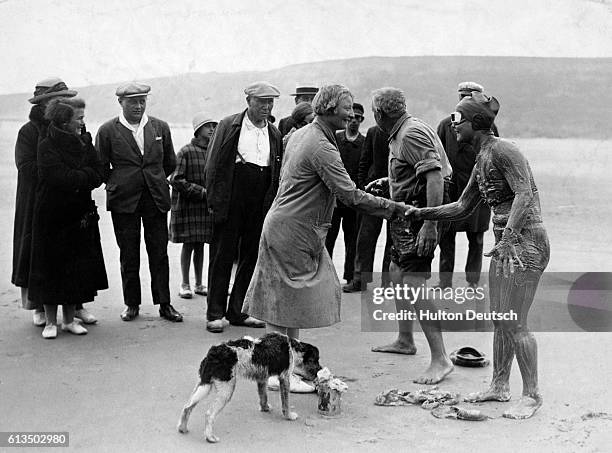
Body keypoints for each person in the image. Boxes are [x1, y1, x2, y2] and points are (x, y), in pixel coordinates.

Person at [243, 85, 411, 392]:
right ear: (331, 108)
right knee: (281, 304)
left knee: (288, 301)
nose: (351, 114)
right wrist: (394, 208)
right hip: (293, 230)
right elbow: (348, 194)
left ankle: (287, 368)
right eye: (347, 108)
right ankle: (276, 373)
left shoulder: (299, 134)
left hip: (289, 226)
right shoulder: (321, 145)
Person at [406, 92, 549, 419]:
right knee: (500, 318)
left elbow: (524, 193)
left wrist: (509, 236)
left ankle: (532, 395)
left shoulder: (504, 149)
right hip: (505, 246)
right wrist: (417, 213)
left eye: (457, 119)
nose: (452, 125)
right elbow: (461, 206)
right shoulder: (482, 158)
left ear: (476, 122)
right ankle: (499, 386)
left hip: (526, 244)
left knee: (515, 322)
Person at [368, 87, 454, 385]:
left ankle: (441, 359)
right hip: (406, 214)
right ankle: (405, 340)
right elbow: (415, 170)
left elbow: (435, 177)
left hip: (420, 215)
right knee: (395, 271)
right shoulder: (405, 129)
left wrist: (430, 223)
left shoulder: (410, 134)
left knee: (414, 283)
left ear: (380, 114)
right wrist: (389, 182)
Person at [12, 78, 98, 326]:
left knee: (75, 252)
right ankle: (37, 305)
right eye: (58, 99)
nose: (64, 102)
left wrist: (74, 178)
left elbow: (88, 159)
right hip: (37, 200)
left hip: (72, 200)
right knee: (38, 253)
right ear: (44, 103)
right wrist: (58, 175)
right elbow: (25, 166)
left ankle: (77, 304)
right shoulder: (29, 131)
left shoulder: (72, 126)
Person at [96, 82, 182, 322]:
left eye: (142, 100)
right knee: (128, 253)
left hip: (155, 198)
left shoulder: (160, 127)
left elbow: (170, 163)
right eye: (132, 101)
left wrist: (153, 179)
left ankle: (164, 304)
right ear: (120, 103)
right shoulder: (107, 130)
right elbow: (101, 167)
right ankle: (131, 304)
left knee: (159, 253)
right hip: (124, 200)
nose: (138, 105)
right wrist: (122, 181)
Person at [204, 81, 283, 333]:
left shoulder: (274, 133)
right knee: (222, 255)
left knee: (251, 255)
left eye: (270, 102)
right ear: (248, 101)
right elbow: (213, 165)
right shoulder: (229, 125)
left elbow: (276, 172)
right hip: (232, 195)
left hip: (260, 198)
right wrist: (214, 202)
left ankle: (238, 310)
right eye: (261, 102)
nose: (266, 107)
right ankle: (215, 313)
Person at [28, 97, 108, 339]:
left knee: (76, 265)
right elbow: (58, 178)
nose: (83, 123)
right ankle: (51, 322)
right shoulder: (46, 144)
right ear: (64, 122)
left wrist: (81, 176)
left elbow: (99, 173)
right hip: (52, 214)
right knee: (51, 266)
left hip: (79, 212)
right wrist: (84, 176)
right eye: (79, 118)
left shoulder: (84, 140)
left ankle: (69, 319)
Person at [436, 82, 498, 289]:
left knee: (477, 238)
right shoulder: (446, 125)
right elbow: (438, 159)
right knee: (446, 236)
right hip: (452, 189)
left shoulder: (488, 127)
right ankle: (445, 282)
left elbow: (493, 159)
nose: (463, 99)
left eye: (469, 96)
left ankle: (473, 282)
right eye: (461, 96)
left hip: (479, 190)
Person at [169, 113, 217, 299]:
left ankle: (198, 283)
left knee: (200, 245)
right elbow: (176, 179)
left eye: (214, 125)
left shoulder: (214, 151)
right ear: (198, 130)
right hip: (188, 206)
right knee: (189, 244)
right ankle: (184, 283)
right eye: (208, 126)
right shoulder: (185, 151)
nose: (212, 129)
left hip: (205, 207)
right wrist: (202, 192)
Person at [343, 125, 392, 293]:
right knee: (365, 237)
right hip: (373, 190)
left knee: (394, 239)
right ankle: (359, 279)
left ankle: (388, 282)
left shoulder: (405, 131)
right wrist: (363, 186)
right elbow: (364, 161)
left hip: (397, 191)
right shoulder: (373, 131)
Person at [325, 103, 366, 285]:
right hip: (333, 199)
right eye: (351, 117)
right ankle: (326, 278)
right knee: (328, 240)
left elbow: (365, 168)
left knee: (352, 241)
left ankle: (350, 277)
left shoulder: (364, 142)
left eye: (359, 118)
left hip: (353, 200)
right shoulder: (335, 138)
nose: (354, 121)